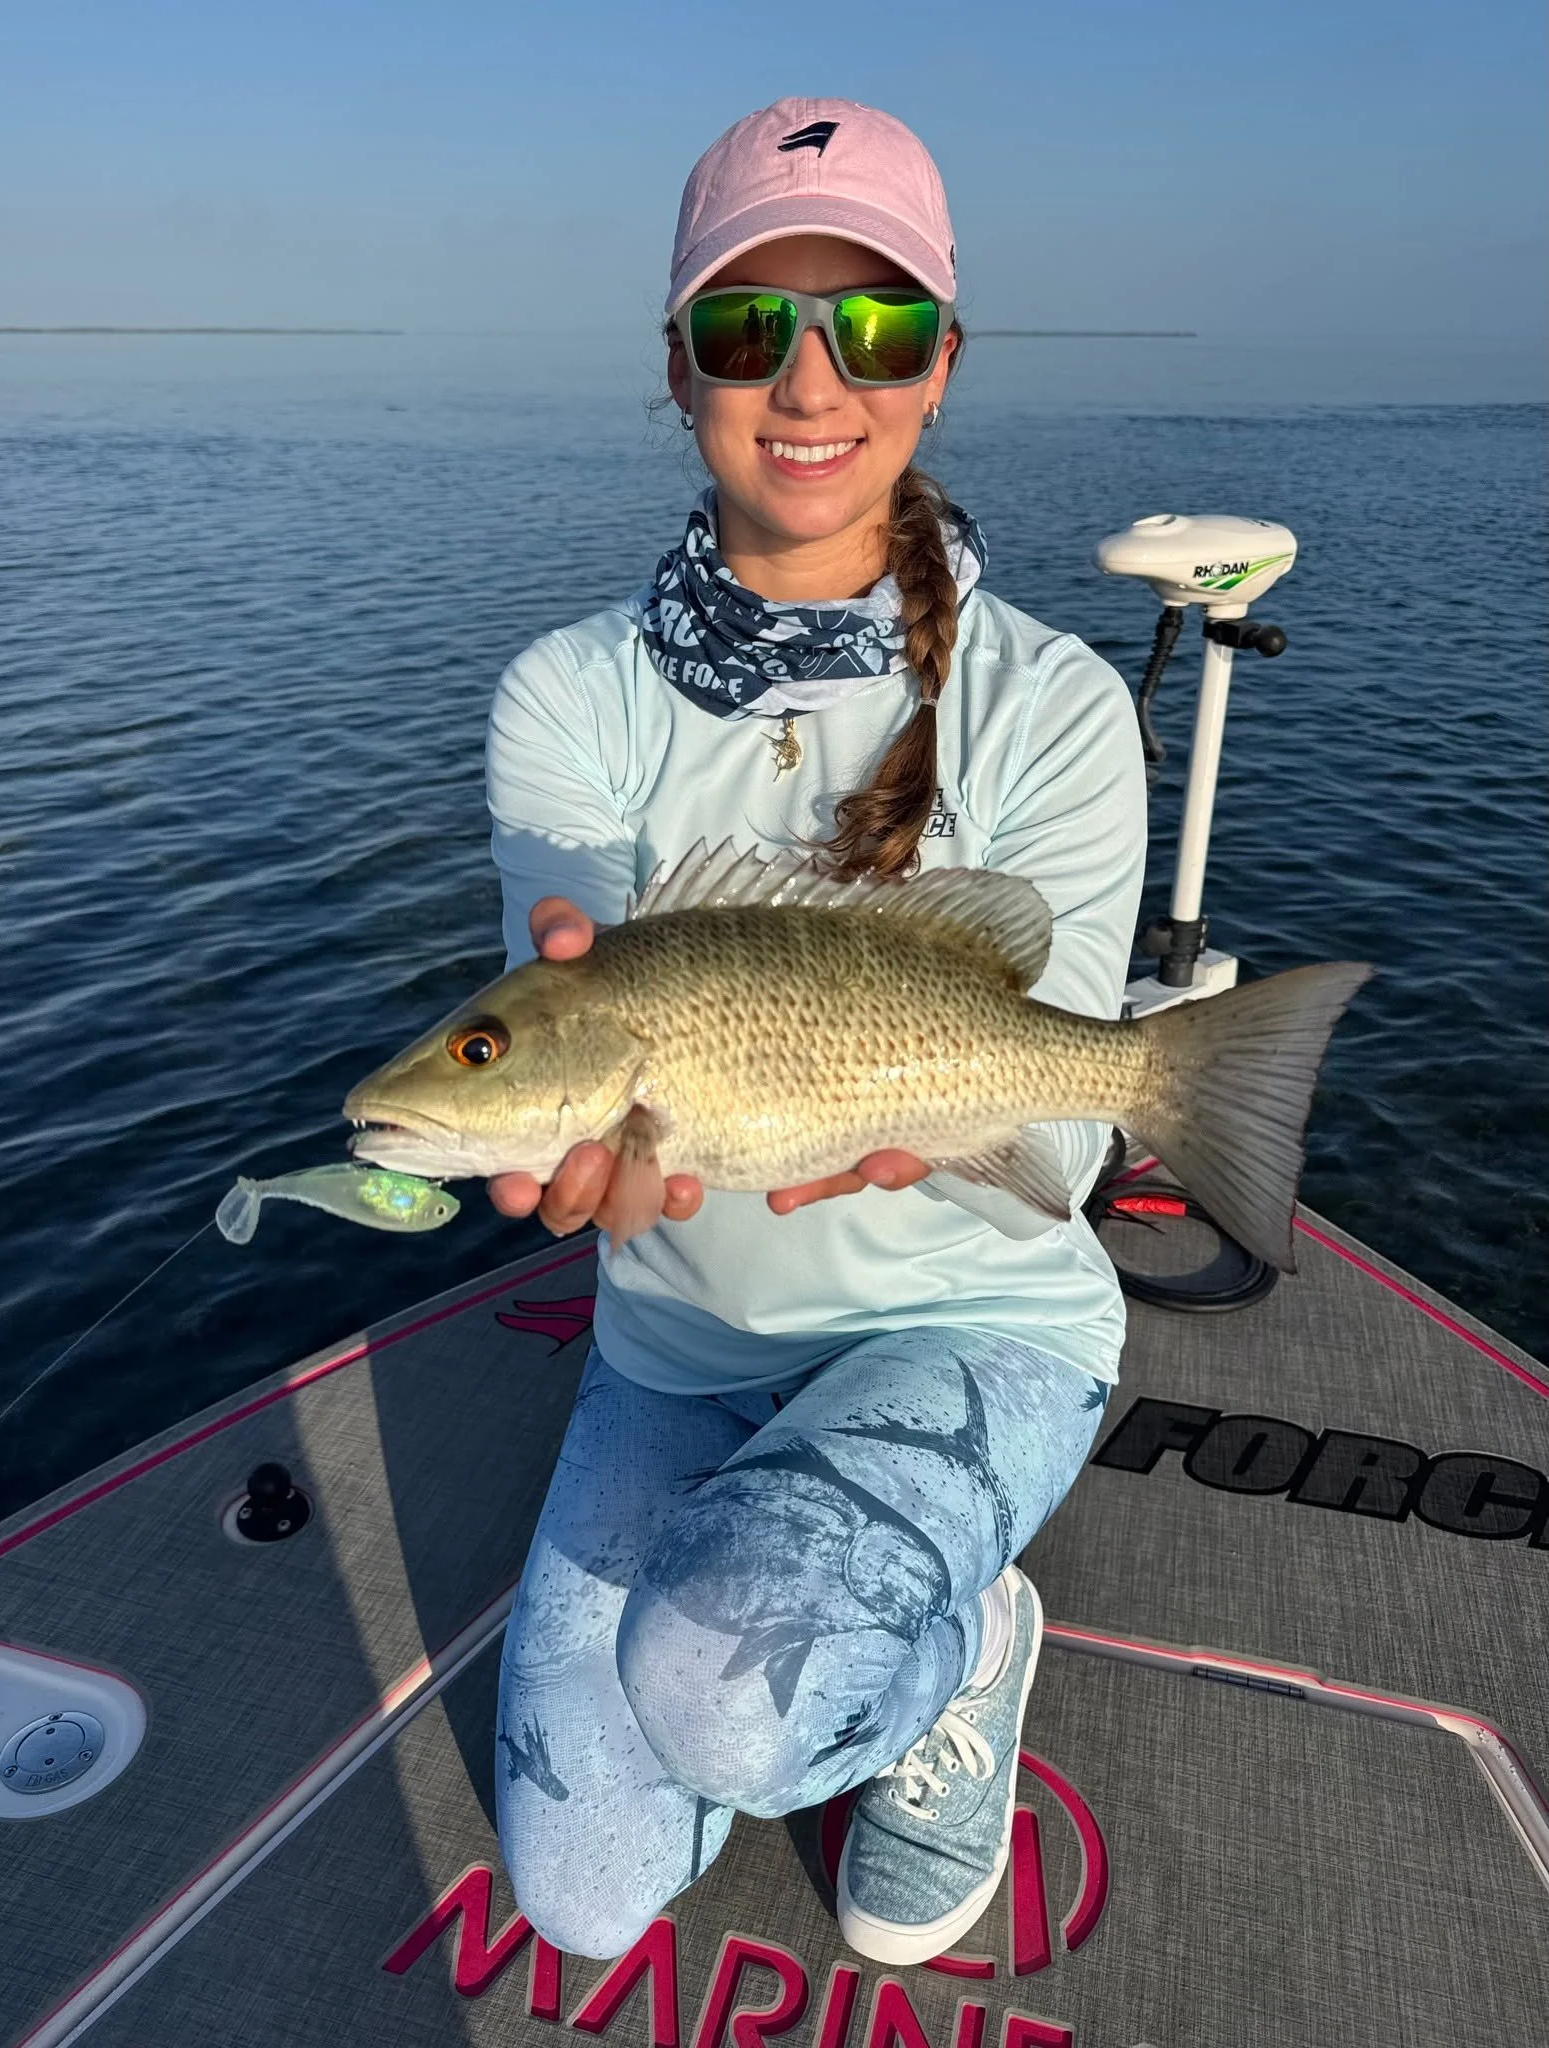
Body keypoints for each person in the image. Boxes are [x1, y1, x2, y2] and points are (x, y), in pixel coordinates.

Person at [484, 97, 1145, 1966]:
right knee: (584, 1898)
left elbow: (1068, 1124)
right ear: (677, 365)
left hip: (974, 1313)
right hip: (676, 1345)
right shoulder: (565, 700)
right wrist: (558, 1152)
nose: (807, 378)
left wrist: (957, 1112)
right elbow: (554, 1042)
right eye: (743, 325)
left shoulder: (1060, 706)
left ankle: (957, 1647)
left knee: (736, 1702)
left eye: (869, 325)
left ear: (938, 362)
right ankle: (815, 1579)